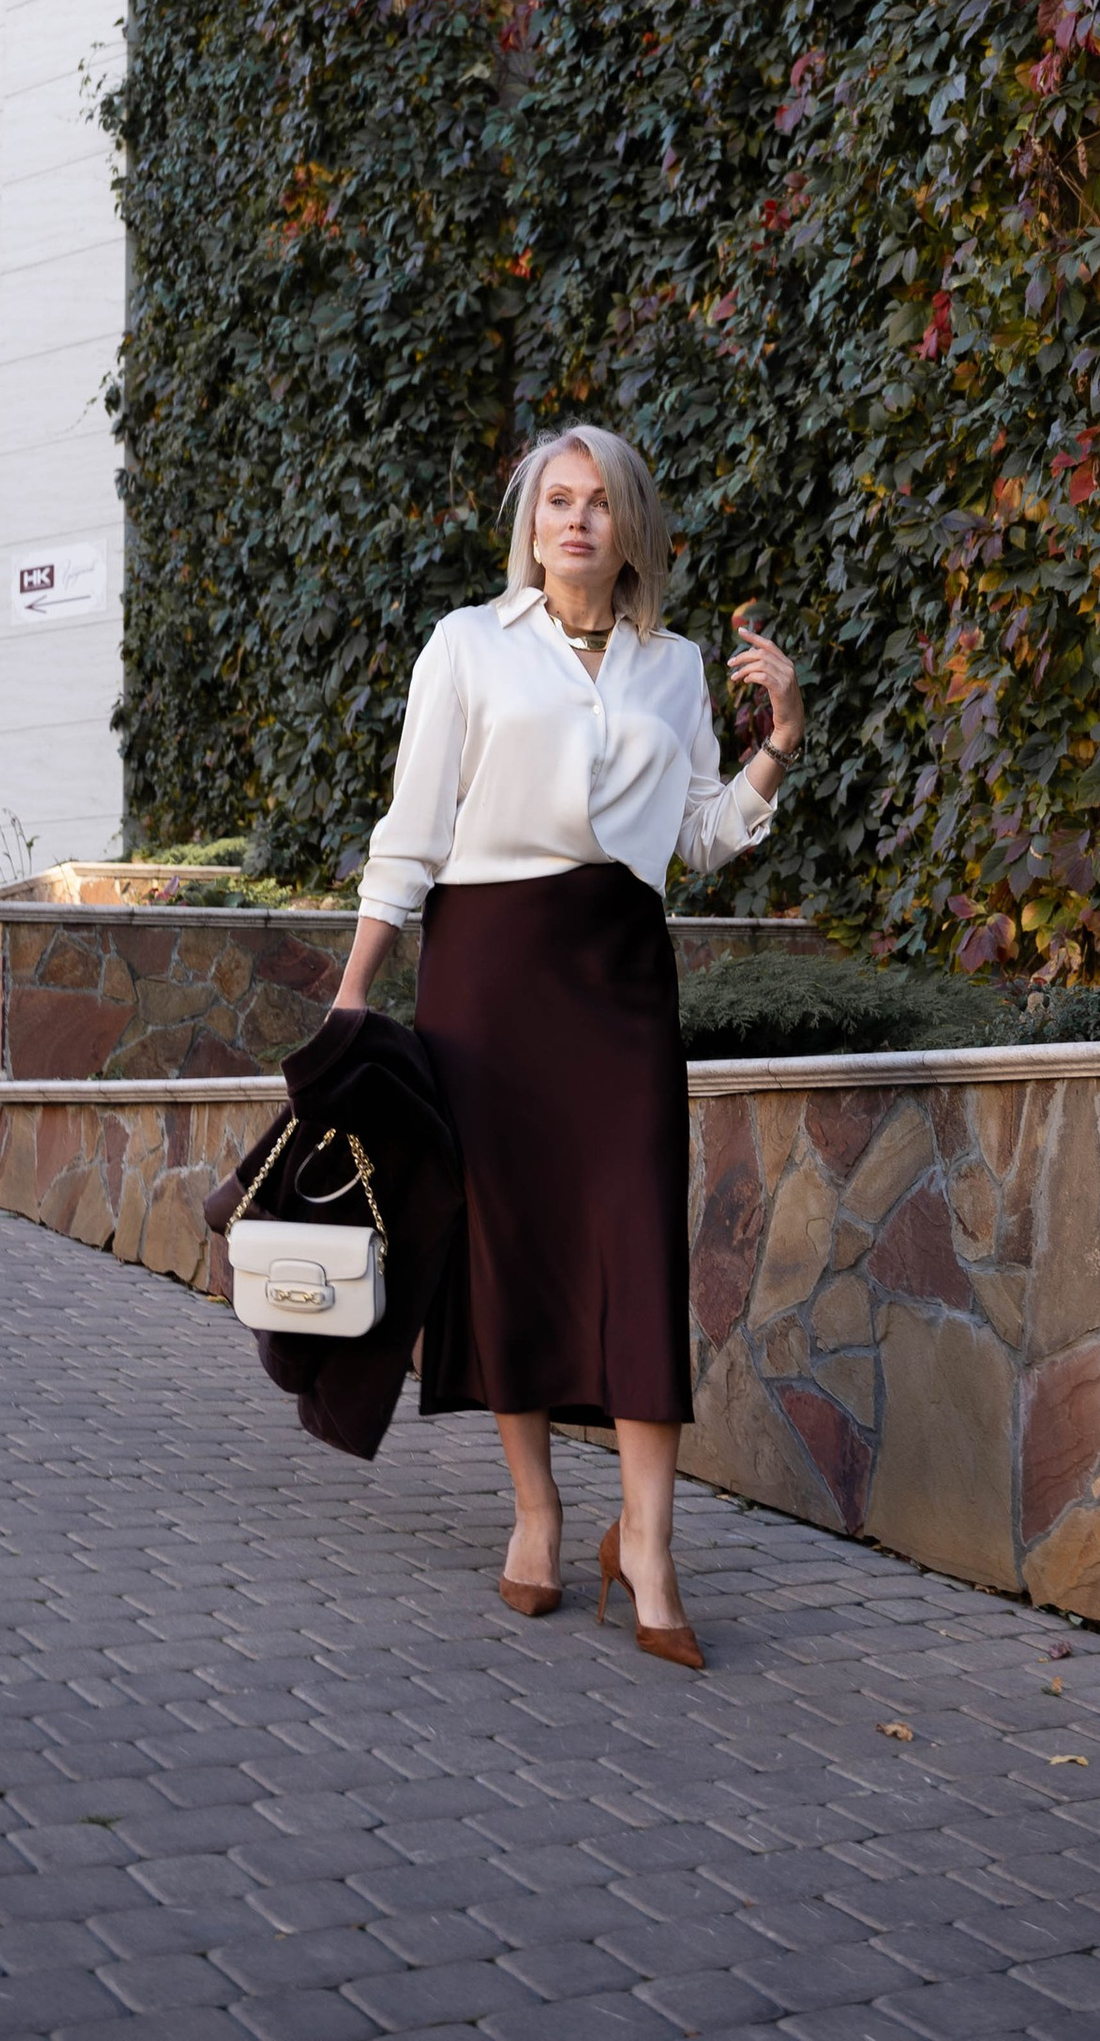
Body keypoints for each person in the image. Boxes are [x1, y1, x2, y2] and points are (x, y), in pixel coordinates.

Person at [331, 423, 804, 1670]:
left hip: (619, 971)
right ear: (529, 524)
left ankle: (647, 1542)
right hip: (488, 971)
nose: (575, 521)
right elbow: (413, 829)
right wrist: (352, 991)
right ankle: (539, 1514)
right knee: (516, 1242)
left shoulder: (674, 664)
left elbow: (697, 834)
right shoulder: (467, 647)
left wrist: (779, 745)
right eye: (555, 500)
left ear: (628, 525)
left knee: (637, 1235)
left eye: (598, 502)